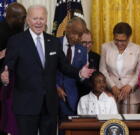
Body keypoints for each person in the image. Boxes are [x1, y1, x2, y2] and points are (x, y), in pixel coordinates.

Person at [0, 5, 94, 135]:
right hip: (26, 106)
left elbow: (64, 66)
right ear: (28, 20)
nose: (38, 22)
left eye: (41, 18)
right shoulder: (16, 41)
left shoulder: (53, 41)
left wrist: (79, 73)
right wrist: (4, 76)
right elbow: (7, 66)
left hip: (49, 106)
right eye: (35, 18)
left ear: (46, 20)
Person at [99, 22, 140, 114]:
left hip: (131, 93)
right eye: (116, 40)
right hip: (111, 93)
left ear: (129, 37)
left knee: (130, 125)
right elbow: (102, 69)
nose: (119, 43)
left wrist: (130, 86)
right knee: (112, 124)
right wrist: (112, 86)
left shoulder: (138, 49)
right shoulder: (105, 47)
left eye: (123, 40)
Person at [0, 2, 26, 135]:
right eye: (21, 18)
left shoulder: (19, 29)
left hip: (17, 82)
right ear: (11, 17)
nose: (24, 20)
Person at [56, 17, 87, 120]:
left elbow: (81, 78)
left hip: (70, 98)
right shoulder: (54, 43)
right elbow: (46, 70)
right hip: (51, 95)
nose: (78, 38)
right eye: (75, 33)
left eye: (80, 34)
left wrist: (83, 76)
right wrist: (55, 87)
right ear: (68, 29)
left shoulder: (82, 51)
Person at [78, 29, 100, 97]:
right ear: (78, 42)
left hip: (93, 95)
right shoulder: (72, 56)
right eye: (84, 42)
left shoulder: (97, 57)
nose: (87, 45)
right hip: (77, 94)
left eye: (90, 42)